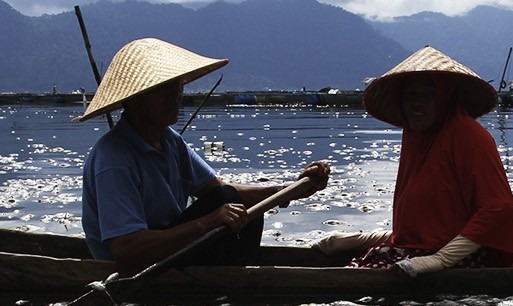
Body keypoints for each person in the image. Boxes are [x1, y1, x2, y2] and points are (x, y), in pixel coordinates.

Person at [80, 38, 331, 274]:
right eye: (164, 89)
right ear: (134, 101)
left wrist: (290, 189)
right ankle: (227, 282)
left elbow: (218, 189)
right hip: (136, 266)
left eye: (177, 87)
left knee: (232, 201)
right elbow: (126, 250)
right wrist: (208, 222)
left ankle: (230, 277)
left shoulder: (169, 140)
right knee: (226, 203)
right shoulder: (114, 159)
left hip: (170, 251)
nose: (176, 96)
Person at [315, 46, 513, 276]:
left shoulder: (469, 136)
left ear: (444, 98)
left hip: (462, 258)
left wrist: (440, 259)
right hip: (419, 249)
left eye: (427, 96)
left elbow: (498, 209)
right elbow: (426, 226)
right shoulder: (417, 135)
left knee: (359, 281)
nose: (416, 104)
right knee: (356, 270)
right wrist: (359, 240)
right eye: (410, 95)